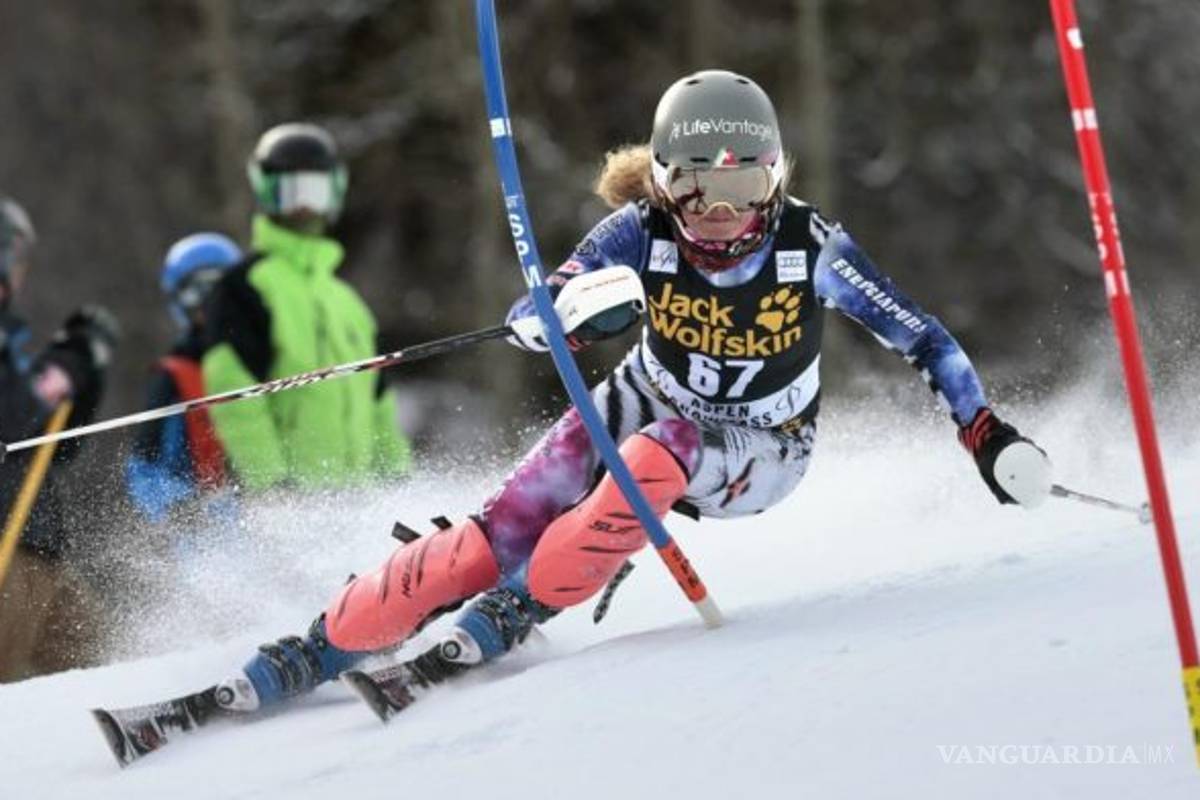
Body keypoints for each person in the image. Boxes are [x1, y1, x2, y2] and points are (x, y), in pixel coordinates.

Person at [196, 70, 1051, 711]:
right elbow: (546, 300)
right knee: (499, 529)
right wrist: (554, 321)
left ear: (775, 177)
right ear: (663, 179)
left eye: (743, 185)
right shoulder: (638, 230)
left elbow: (923, 337)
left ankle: (514, 610)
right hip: (647, 395)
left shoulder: (809, 246)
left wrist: (984, 432)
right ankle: (321, 646)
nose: (719, 213)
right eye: (695, 187)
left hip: (763, 445)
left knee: (659, 450)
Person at [201, 123, 411, 492]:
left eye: (315, 192)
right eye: (290, 193)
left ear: (335, 192)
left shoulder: (347, 302)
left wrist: (398, 481)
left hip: (360, 504)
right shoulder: (245, 286)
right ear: (266, 192)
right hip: (293, 501)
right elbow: (233, 390)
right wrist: (271, 485)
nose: (304, 208)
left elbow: (378, 401)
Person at [0, 195, 120, 682]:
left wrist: (85, 371)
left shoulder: (11, 342)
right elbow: (13, 418)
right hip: (8, 547)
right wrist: (62, 368)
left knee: (103, 664)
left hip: (37, 543)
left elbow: (54, 447)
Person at [125, 233, 242, 524]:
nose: (211, 307)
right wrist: (179, 507)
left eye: (220, 291)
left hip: (270, 516)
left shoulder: (261, 361)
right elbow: (144, 467)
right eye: (197, 293)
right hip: (206, 530)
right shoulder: (174, 376)